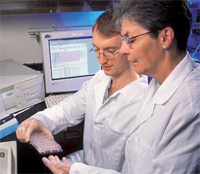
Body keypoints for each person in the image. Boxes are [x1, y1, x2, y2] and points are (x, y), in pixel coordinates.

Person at [16, 9, 148, 174]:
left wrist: (76, 171)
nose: (101, 59)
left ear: (129, 46)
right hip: (84, 161)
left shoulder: (145, 103)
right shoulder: (100, 79)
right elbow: (67, 109)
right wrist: (40, 120)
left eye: (110, 50)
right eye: (96, 49)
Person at [112, 0, 200, 173]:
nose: (122, 50)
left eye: (130, 39)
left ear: (165, 37)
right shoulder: (158, 82)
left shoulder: (190, 106)